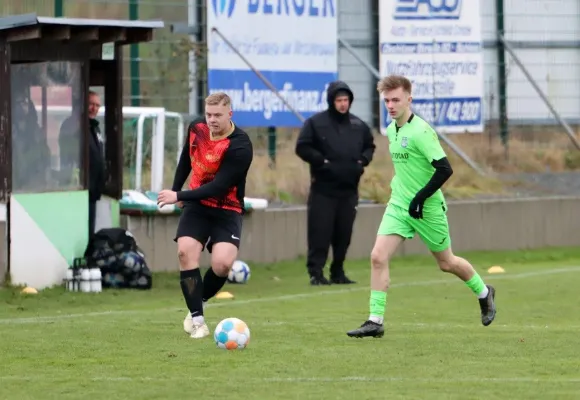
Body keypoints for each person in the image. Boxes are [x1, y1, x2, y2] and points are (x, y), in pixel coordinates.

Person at [346, 75, 496, 338]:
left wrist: (420, 198)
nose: (390, 105)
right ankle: (375, 321)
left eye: (396, 100)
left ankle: (484, 293)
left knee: (447, 263)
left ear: (409, 99)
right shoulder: (392, 130)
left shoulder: (421, 131)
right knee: (377, 256)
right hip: (399, 205)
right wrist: (405, 196)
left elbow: (444, 169)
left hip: (427, 207)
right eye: (387, 101)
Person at [157, 92, 253, 339]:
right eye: (208, 114)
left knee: (222, 264)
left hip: (227, 207)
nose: (211, 120)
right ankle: (199, 321)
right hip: (197, 205)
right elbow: (185, 160)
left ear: (229, 114)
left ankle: (196, 302)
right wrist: (177, 189)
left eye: (218, 115)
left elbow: (219, 187)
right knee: (185, 251)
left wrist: (180, 196)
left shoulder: (240, 145)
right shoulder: (196, 128)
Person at [295, 80, 376, 286]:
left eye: (346, 100)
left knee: (343, 234)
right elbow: (302, 147)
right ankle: (316, 273)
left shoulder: (358, 125)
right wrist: (321, 161)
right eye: (339, 100)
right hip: (323, 189)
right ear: (332, 101)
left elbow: (370, 146)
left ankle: (338, 271)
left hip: (349, 190)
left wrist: (362, 161)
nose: (343, 104)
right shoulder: (316, 123)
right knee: (319, 234)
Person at [59, 90, 106, 238]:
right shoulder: (72, 126)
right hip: (78, 190)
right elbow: (68, 155)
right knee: (78, 232)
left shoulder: (94, 127)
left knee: (89, 232)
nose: (94, 108)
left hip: (93, 192)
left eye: (97, 105)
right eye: (91, 104)